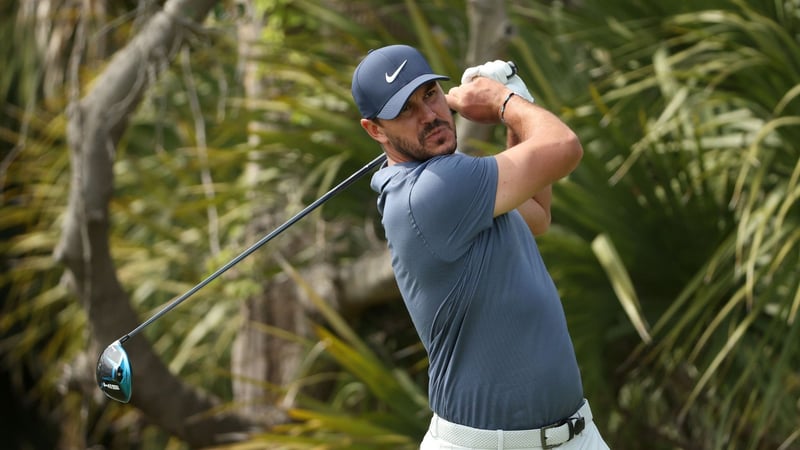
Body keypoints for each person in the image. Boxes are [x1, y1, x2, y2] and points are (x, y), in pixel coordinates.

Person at [351, 44, 609, 449]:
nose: (429, 116)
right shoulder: (433, 190)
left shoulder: (455, 182)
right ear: (375, 129)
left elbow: (537, 215)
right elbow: (565, 148)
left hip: (575, 436)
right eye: (405, 110)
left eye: (430, 94)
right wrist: (504, 102)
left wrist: (517, 109)